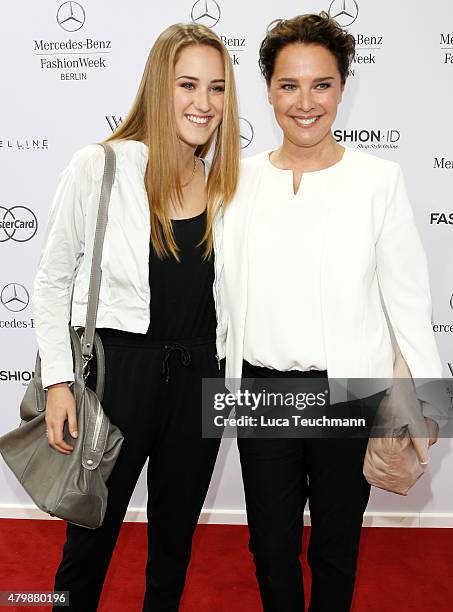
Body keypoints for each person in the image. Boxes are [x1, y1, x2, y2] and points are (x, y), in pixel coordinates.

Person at [220, 13, 442, 612]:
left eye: (321, 84)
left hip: (350, 390)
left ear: (343, 87)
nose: (305, 102)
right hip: (261, 388)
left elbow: (409, 301)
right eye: (289, 85)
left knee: (336, 548)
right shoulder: (235, 180)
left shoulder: (378, 180)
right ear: (268, 89)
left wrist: (428, 406)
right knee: (269, 547)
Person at [33, 23, 239, 611]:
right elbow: (51, 281)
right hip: (119, 373)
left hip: (203, 378)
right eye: (188, 84)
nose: (203, 103)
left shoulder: (228, 185)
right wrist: (58, 382)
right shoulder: (99, 166)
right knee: (89, 542)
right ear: (157, 86)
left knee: (174, 544)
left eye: (217, 88)